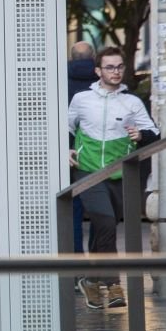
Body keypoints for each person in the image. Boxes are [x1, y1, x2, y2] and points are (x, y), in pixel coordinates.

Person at [68, 46, 159, 310]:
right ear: (98, 71)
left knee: (105, 229)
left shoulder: (131, 102)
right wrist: (68, 148)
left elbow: (154, 132)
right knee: (105, 221)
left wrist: (141, 136)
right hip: (88, 170)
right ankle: (112, 282)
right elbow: (66, 126)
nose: (115, 71)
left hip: (119, 173)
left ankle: (91, 281)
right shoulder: (82, 99)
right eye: (109, 67)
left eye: (119, 66)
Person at [66, 41, 98, 255]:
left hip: (70, 155)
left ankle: (76, 259)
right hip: (97, 154)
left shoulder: (59, 79)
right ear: (93, 56)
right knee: (101, 211)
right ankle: (98, 262)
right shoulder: (101, 81)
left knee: (73, 210)